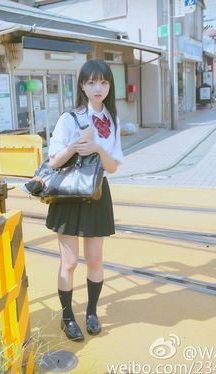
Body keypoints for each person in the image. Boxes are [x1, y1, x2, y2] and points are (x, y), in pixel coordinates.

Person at [46, 60, 124, 341]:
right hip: (69, 194)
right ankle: (67, 318)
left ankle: (91, 312)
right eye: (91, 82)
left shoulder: (112, 119)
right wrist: (75, 146)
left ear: (109, 85)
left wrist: (97, 148)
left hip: (97, 193)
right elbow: (54, 162)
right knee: (69, 262)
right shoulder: (70, 118)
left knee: (95, 258)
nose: (98, 88)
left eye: (103, 82)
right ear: (82, 86)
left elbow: (113, 166)